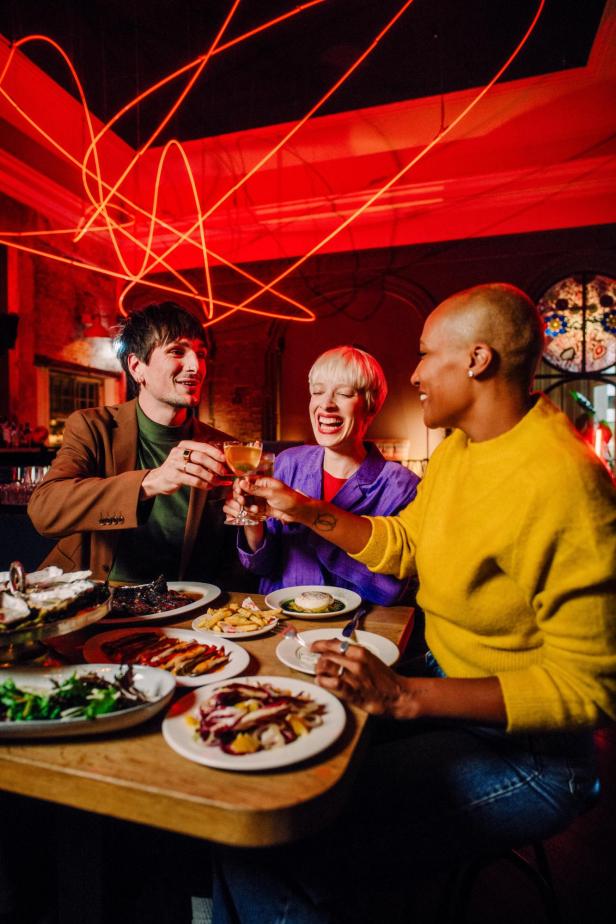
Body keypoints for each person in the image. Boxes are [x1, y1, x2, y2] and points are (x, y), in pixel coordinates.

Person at [212, 283, 616, 924]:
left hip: (530, 756)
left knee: (273, 843)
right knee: (252, 803)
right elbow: (405, 544)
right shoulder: (462, 448)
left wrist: (406, 696)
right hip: (442, 693)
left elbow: (592, 689)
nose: (415, 372)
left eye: (427, 354)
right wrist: (306, 508)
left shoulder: (564, 482)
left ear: (478, 360)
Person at [28, 301, 250, 588]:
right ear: (137, 367)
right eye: (177, 351)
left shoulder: (223, 446)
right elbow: (45, 510)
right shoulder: (93, 426)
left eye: (201, 354)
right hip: (100, 596)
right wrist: (151, 481)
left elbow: (234, 553)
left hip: (187, 602)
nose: (196, 366)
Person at [225, 345, 419, 604]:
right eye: (317, 392)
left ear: (371, 407)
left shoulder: (402, 486)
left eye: (344, 394)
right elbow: (261, 567)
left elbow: (389, 590)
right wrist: (253, 523)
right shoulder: (288, 463)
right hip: (283, 626)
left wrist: (307, 516)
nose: (326, 404)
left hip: (356, 632)